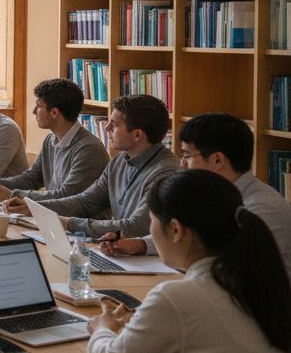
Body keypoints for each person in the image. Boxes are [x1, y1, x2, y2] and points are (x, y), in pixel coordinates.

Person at [62, 169, 291, 353]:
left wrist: (102, 330)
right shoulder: (267, 285)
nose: (150, 230)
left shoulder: (179, 297)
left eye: (152, 222)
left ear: (175, 230)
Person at [101, 112, 291, 274]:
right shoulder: (211, 196)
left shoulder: (263, 209)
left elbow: (218, 264)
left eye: (187, 155)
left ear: (217, 160)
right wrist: (140, 245)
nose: (182, 164)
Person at [7, 94, 177, 238]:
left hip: (150, 261)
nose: (106, 126)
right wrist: (34, 207)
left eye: (114, 124)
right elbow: (86, 201)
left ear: (137, 134)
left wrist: (68, 223)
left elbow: (135, 227)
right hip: (119, 249)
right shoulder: (119, 161)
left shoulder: (165, 172)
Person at [0, 78, 108, 203]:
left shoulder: (88, 150)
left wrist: (12, 194)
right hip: (53, 217)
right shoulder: (50, 139)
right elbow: (32, 178)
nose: (34, 111)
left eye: (38, 106)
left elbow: (66, 196)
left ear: (54, 113)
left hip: (75, 222)